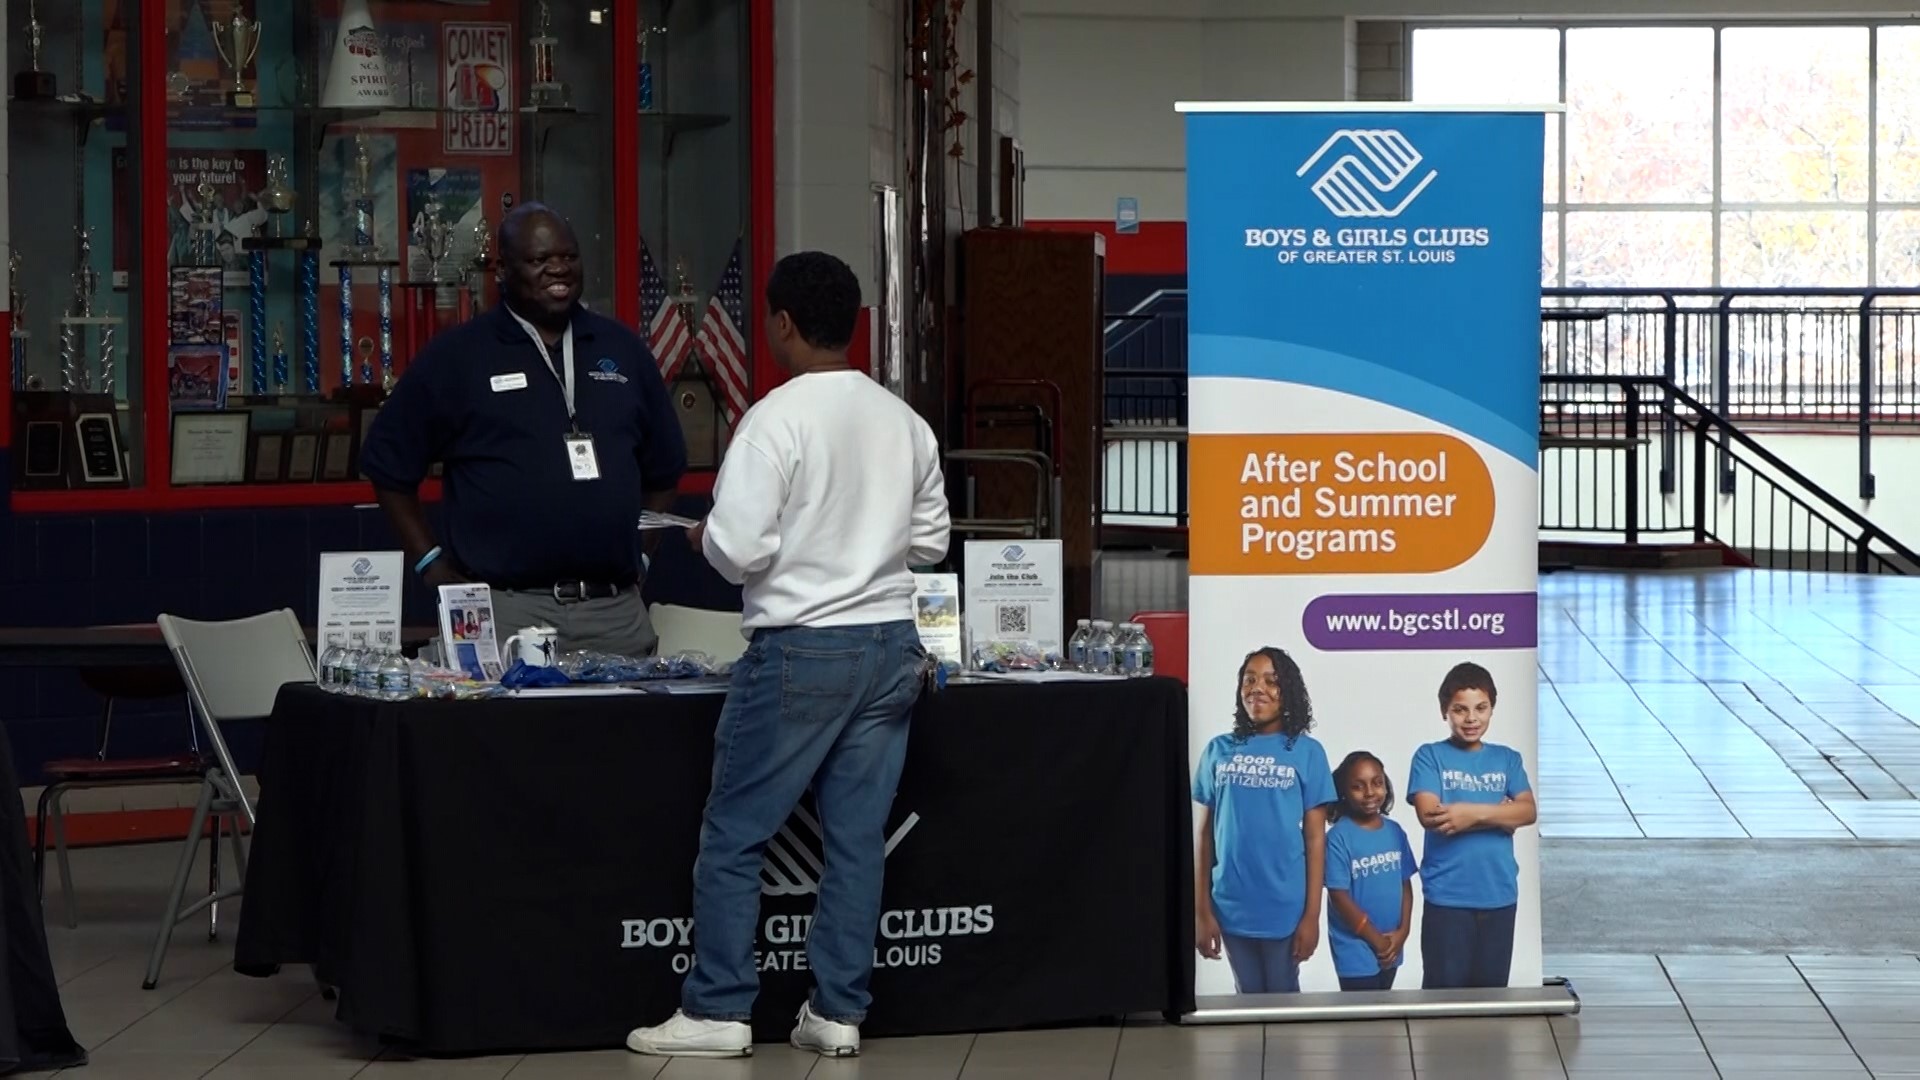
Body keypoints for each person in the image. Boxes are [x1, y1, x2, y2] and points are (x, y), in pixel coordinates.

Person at [626, 252, 949, 1060]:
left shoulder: (773, 419)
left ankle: (718, 1009)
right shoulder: (903, 421)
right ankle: (838, 1011)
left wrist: (705, 537)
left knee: (735, 834)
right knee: (855, 839)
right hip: (891, 650)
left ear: (780, 325)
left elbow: (736, 550)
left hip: (802, 649)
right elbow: (933, 543)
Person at [360, 201, 687, 657]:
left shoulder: (622, 349)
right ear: (502, 271)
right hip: (504, 611)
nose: (558, 269)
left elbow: (664, 470)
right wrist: (431, 563)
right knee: (504, 731)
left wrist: (643, 554)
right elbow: (387, 464)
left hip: (613, 612)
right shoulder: (460, 356)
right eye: (539, 260)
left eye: (569, 257)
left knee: (625, 729)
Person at [1192, 646, 1335, 995]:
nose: (1258, 688)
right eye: (1250, 679)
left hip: (1285, 905)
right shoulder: (1218, 750)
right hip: (1230, 902)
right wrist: (1201, 911)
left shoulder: (1307, 752)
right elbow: (1203, 836)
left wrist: (1311, 917)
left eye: (1272, 681)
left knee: (1283, 997)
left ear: (1288, 692)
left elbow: (1316, 840)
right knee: (1248, 996)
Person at [1407, 661, 1536, 990]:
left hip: (1499, 896)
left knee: (1491, 1000)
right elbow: (1431, 815)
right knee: (1444, 999)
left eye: (1481, 708)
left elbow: (1527, 811)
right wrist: (1500, 816)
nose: (1471, 718)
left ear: (1492, 708)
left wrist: (1470, 813)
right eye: (1460, 709)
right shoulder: (1429, 756)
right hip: (1448, 899)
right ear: (1444, 711)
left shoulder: (1508, 759)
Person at [1324, 750, 1418, 992]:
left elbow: (1405, 885)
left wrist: (1403, 932)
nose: (1369, 792)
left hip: (1392, 942)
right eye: (1358, 786)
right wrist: (1376, 940)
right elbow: (1339, 897)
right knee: (1362, 1017)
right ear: (1343, 792)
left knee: (1383, 1012)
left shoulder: (1395, 831)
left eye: (1377, 783)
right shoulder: (1337, 838)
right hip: (1355, 947)